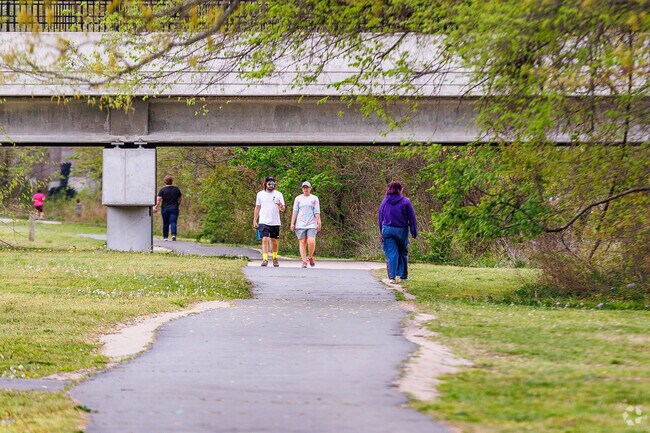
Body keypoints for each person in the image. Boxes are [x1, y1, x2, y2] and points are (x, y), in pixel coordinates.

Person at [378, 181, 417, 283]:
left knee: (391, 253)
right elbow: (412, 217)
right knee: (402, 252)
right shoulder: (405, 201)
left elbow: (380, 217)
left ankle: (392, 277)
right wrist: (413, 230)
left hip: (388, 230)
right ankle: (403, 276)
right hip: (402, 230)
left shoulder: (385, 202)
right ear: (399, 190)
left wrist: (381, 231)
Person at [253, 176, 285, 267]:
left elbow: (283, 209)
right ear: (265, 184)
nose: (271, 185)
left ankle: (275, 258)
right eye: (269, 183)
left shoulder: (279, 194)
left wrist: (280, 205)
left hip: (275, 221)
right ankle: (265, 259)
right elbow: (257, 207)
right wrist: (255, 220)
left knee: (274, 241)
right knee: (264, 239)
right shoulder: (260, 194)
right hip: (263, 220)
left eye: (273, 184)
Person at [290, 181, 322, 268]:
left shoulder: (314, 198)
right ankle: (304, 261)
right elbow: (295, 211)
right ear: (302, 189)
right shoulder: (298, 198)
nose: (305, 189)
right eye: (304, 187)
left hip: (311, 223)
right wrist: (292, 222)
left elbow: (317, 211)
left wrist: (319, 222)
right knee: (302, 242)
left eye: (307, 187)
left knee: (311, 241)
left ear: (310, 188)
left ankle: (310, 256)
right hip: (300, 223)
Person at [153, 175, 182, 241]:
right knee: (173, 222)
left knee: (165, 223)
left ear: (165, 182)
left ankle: (165, 237)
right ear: (172, 181)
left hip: (165, 208)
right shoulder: (176, 189)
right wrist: (177, 204)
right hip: (174, 208)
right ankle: (173, 235)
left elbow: (158, 200)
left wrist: (155, 207)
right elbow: (179, 199)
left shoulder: (162, 190)